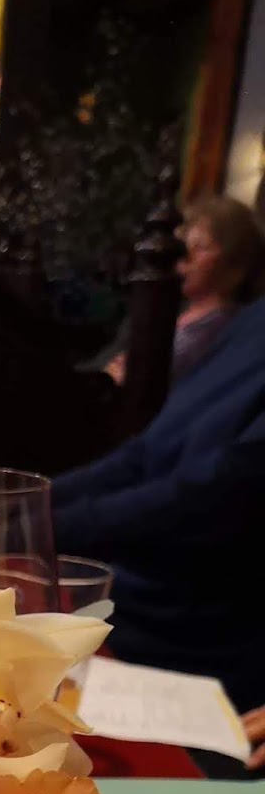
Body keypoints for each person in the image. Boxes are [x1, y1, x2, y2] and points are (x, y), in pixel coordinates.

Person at [52, 294, 265, 716]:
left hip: (197, 633)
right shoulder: (253, 318)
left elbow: (210, 496)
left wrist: (39, 527)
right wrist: (21, 507)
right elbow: (144, 454)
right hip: (139, 593)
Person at [104, 196, 265, 388]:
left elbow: (139, 377)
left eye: (200, 247)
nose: (184, 257)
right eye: (183, 244)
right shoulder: (170, 306)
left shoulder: (218, 326)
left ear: (236, 266)